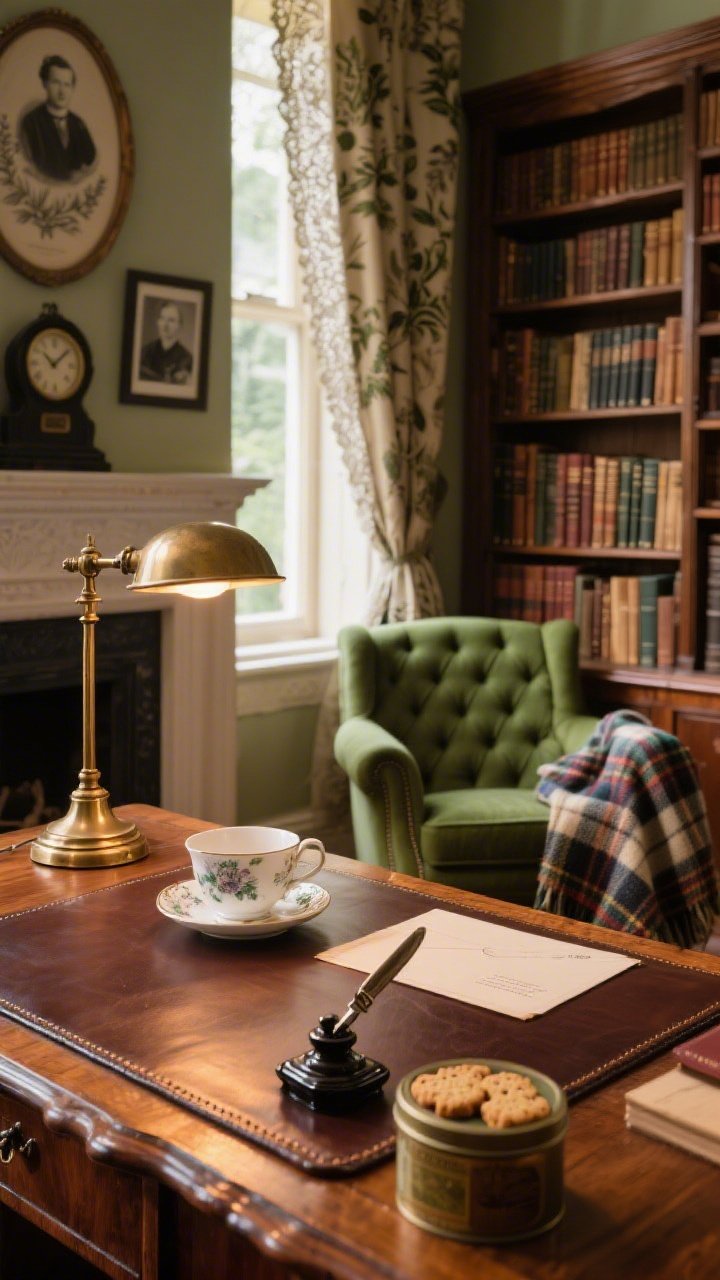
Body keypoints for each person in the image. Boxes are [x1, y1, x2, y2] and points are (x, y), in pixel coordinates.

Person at [19, 55, 96, 183]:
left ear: (72, 88)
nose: (62, 91)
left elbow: (90, 161)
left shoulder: (79, 124)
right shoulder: (31, 122)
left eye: (67, 85)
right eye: (56, 83)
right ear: (45, 84)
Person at [139, 301, 193, 384]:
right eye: (162, 318)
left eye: (171, 320)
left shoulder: (186, 358)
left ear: (179, 325)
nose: (165, 325)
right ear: (158, 322)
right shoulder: (145, 351)